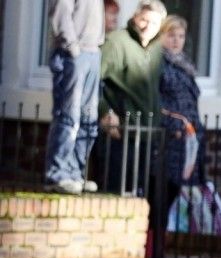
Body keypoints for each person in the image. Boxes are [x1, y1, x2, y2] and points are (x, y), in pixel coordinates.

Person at [98, 0, 166, 193]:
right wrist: (104, 112)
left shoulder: (157, 49)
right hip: (120, 133)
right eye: (144, 20)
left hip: (147, 134)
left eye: (154, 23)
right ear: (135, 17)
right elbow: (91, 81)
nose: (147, 27)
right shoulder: (116, 42)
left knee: (137, 196)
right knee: (115, 194)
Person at [44, 0, 105, 195]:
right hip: (72, 54)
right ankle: (58, 174)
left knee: (89, 118)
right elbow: (61, 14)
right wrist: (73, 47)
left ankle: (74, 173)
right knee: (68, 116)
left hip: (92, 52)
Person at [158, 15, 205, 225]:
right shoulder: (159, 64)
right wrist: (174, 125)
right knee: (162, 193)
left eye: (181, 36)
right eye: (171, 35)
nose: (176, 40)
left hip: (189, 139)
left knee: (177, 194)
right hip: (170, 138)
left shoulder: (185, 66)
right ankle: (153, 244)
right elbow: (157, 101)